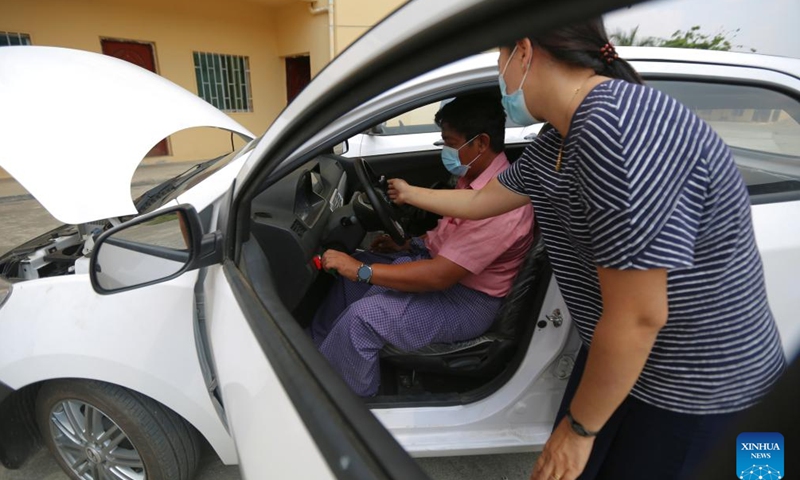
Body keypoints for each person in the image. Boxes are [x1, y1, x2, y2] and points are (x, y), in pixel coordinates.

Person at [387, 19, 786, 480]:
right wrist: (411, 193)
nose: (499, 74)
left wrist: (578, 429)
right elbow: (482, 199)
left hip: (696, 386)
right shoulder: (559, 135)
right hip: (623, 359)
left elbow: (639, 316)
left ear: (524, 51)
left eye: (499, 59)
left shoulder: (615, 130)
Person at [311, 92, 534, 397]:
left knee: (362, 320)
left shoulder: (501, 206)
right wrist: (408, 246)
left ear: (481, 144)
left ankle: (350, 404)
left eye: (451, 143)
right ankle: (314, 358)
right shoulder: (473, 181)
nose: (446, 150)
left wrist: (362, 270)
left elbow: (438, 276)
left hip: (466, 300)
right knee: (347, 285)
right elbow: (447, 238)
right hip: (445, 276)